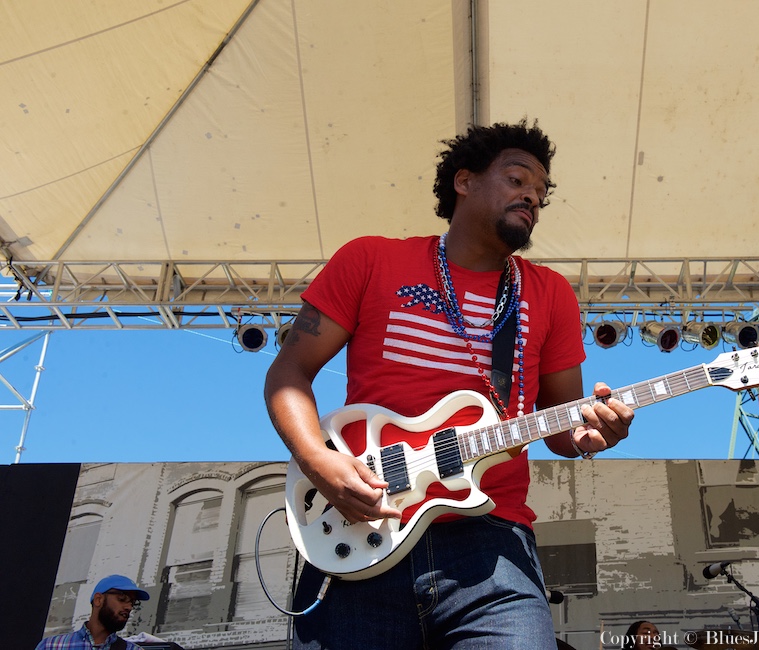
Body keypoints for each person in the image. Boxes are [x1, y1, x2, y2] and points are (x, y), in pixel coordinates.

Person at [265, 119, 635, 649]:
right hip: (363, 527)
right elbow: (288, 372)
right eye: (516, 179)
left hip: (492, 546)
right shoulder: (370, 260)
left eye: (540, 193)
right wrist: (317, 460)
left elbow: (562, 426)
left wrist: (595, 432)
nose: (531, 196)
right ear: (464, 181)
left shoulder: (550, 293)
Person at [36, 574, 149, 650]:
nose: (129, 607)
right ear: (98, 600)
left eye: (133, 603)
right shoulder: (52, 646)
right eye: (122, 599)